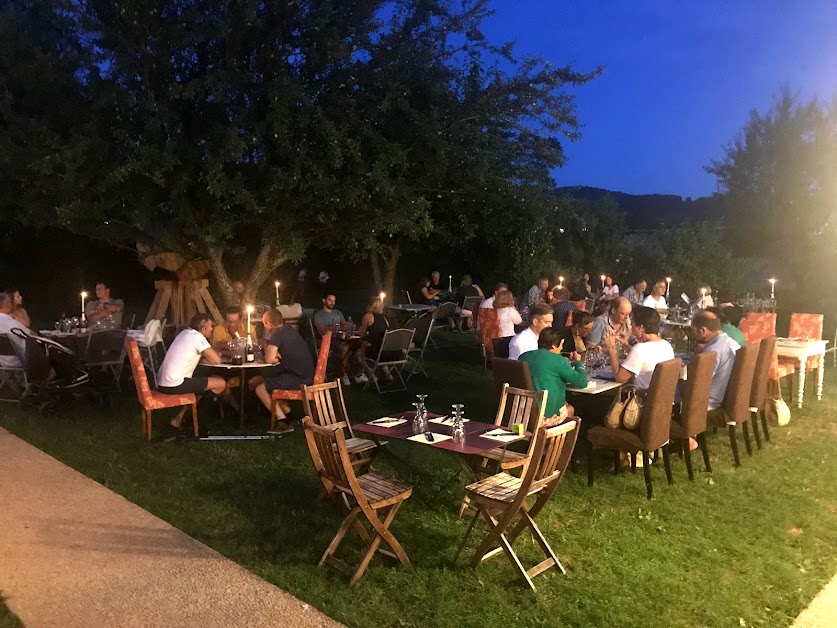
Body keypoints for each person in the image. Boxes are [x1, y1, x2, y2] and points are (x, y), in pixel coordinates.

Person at [157, 313, 227, 430]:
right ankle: (197, 421)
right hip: (175, 384)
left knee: (200, 385)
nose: (212, 328)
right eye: (210, 326)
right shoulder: (197, 337)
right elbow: (217, 360)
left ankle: (179, 419)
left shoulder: (184, 333)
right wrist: (219, 354)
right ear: (203, 329)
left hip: (164, 382)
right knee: (220, 384)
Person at [254, 309, 316, 433]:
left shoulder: (277, 334)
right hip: (308, 375)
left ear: (267, 324)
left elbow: (269, 359)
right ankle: (290, 417)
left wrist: (272, 353)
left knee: (260, 389)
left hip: (299, 378)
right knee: (271, 382)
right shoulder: (289, 330)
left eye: (264, 324)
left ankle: (282, 422)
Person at [518, 327, 587, 423]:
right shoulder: (558, 360)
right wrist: (578, 362)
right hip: (545, 416)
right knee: (570, 409)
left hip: (523, 412)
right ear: (554, 345)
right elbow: (582, 382)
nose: (562, 348)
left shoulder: (523, 356)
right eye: (561, 344)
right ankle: (557, 437)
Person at [604, 306, 674, 390]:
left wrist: (611, 348)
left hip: (642, 400)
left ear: (641, 327)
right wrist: (626, 345)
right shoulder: (666, 345)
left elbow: (619, 378)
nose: (630, 325)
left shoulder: (639, 349)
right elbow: (645, 358)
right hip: (661, 399)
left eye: (632, 323)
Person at [691, 310, 740, 410]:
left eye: (694, 331)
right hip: (729, 396)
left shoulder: (712, 352)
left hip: (710, 402)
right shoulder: (732, 343)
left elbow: (699, 383)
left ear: (702, 330)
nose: (693, 335)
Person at [313, 293, 359, 386]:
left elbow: (345, 325)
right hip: (328, 339)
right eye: (330, 300)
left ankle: (359, 373)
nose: (332, 303)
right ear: (324, 300)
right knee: (345, 348)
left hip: (340, 337)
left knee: (359, 344)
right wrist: (337, 327)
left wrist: (345, 326)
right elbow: (322, 330)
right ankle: (344, 375)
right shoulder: (318, 315)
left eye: (334, 301)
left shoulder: (338, 312)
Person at [0, 292, 29, 368]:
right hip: (17, 361)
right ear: (7, 304)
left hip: (1, 362)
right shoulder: (13, 324)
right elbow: (30, 335)